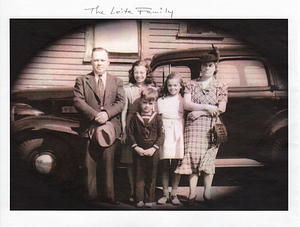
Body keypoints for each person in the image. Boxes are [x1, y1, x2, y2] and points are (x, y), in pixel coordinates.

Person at [175, 46, 228, 207]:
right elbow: (187, 104)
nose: (206, 68)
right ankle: (192, 192)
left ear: (215, 67)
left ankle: (207, 192)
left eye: (210, 65)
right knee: (192, 158)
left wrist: (201, 112)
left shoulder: (221, 85)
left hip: (211, 127)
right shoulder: (191, 84)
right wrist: (207, 108)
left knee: (208, 159)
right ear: (201, 67)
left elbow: (222, 108)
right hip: (193, 128)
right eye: (204, 65)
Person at [73, 47, 125, 205]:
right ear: (91, 62)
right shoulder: (82, 80)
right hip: (89, 127)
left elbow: (121, 101)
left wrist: (107, 114)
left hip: (109, 128)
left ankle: (109, 196)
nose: (99, 63)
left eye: (102, 60)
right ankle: (91, 197)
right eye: (96, 60)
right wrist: (95, 115)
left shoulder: (117, 81)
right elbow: (78, 101)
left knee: (109, 164)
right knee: (89, 164)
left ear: (108, 62)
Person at [120, 60, 158, 202]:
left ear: (147, 73)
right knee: (130, 159)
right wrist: (124, 130)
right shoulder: (127, 89)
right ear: (132, 73)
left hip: (147, 125)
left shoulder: (153, 88)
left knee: (145, 161)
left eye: (142, 72)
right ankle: (132, 190)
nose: (139, 75)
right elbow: (124, 110)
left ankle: (145, 193)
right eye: (136, 72)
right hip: (131, 123)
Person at [127, 87, 164, 208]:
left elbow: (161, 134)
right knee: (139, 175)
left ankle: (149, 199)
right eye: (144, 102)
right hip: (139, 151)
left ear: (154, 104)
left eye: (150, 103)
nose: (147, 106)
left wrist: (154, 148)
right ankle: (139, 199)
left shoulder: (157, 118)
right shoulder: (135, 117)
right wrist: (136, 147)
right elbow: (130, 133)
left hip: (152, 151)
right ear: (140, 102)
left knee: (151, 176)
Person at [156, 73, 184, 205]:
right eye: (170, 85)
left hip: (178, 132)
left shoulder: (183, 100)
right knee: (165, 164)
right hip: (166, 132)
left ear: (180, 86)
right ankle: (165, 193)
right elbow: (159, 117)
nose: (172, 88)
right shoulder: (161, 101)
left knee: (177, 164)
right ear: (166, 86)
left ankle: (174, 194)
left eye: (175, 85)